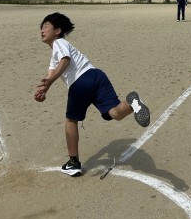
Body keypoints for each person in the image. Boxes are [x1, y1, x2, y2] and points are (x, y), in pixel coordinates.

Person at [34, 12, 150, 177]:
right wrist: (43, 90)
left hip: (80, 82)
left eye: (46, 26)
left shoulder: (59, 43)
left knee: (71, 121)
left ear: (58, 31)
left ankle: (73, 163)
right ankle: (133, 104)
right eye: (41, 27)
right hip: (97, 76)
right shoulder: (55, 55)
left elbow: (65, 61)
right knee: (115, 113)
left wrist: (50, 81)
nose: (42, 30)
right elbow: (50, 74)